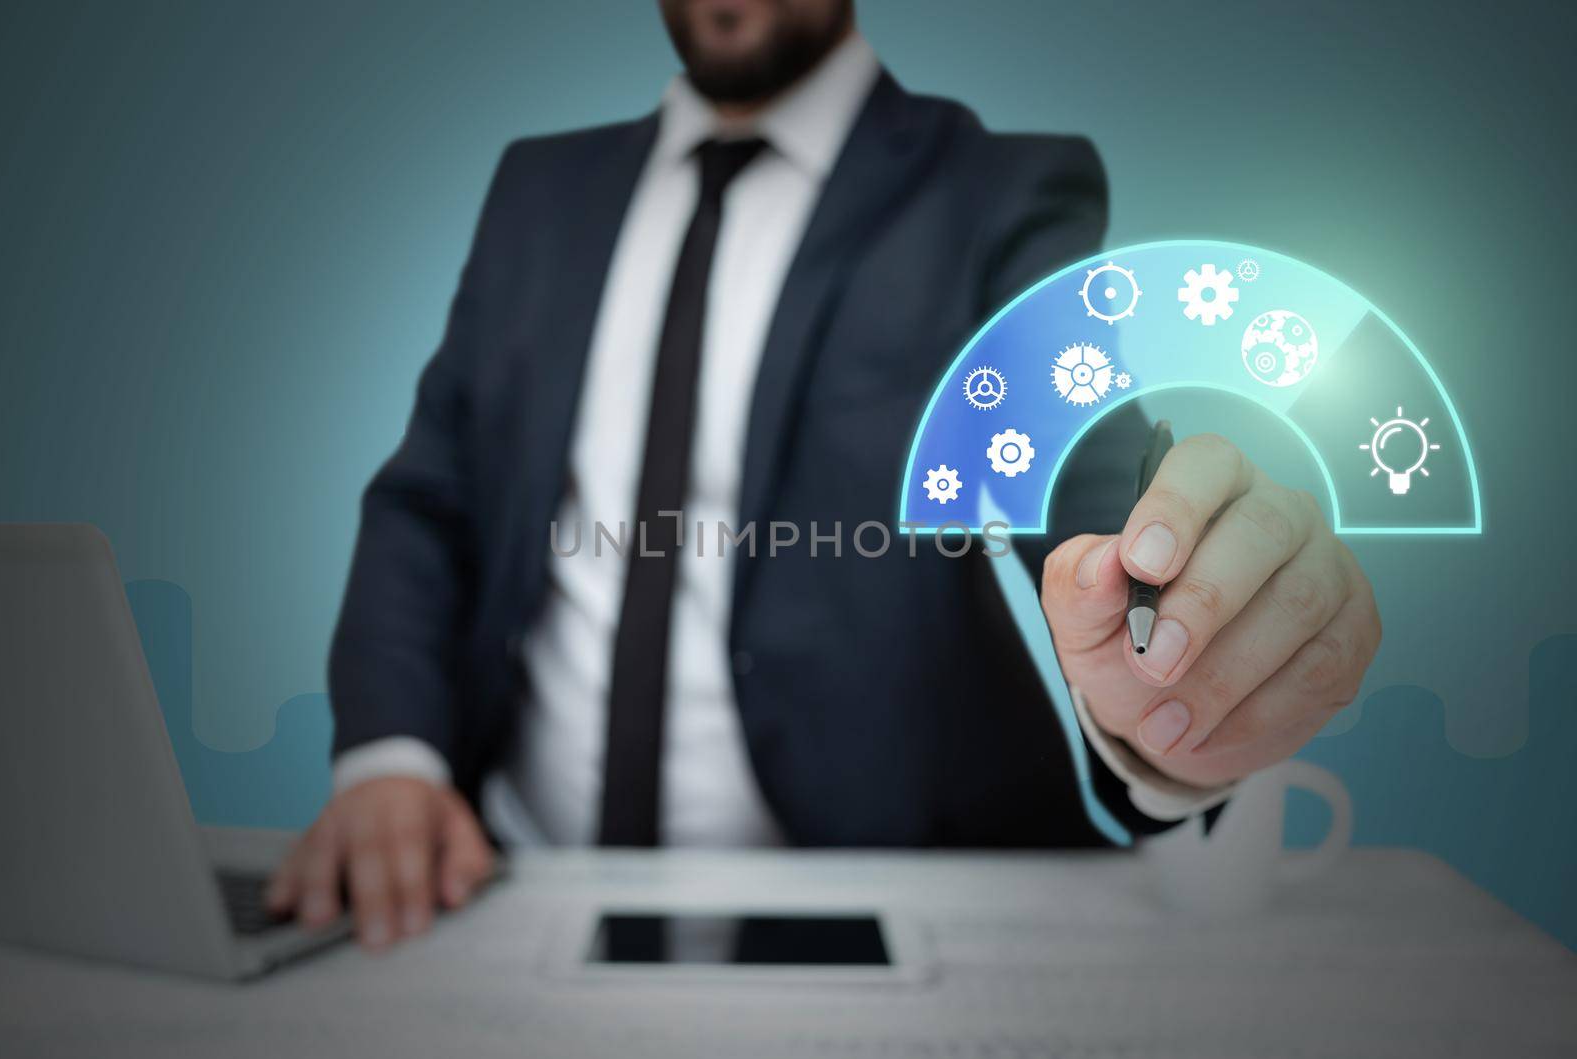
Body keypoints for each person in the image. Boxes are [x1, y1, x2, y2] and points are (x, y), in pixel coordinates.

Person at [269, 0, 1380, 951]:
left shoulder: (990, 194)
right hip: (506, 894)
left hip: (878, 925)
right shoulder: (536, 193)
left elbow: (1084, 491)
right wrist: (390, 756)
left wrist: (1175, 675)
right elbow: (434, 500)